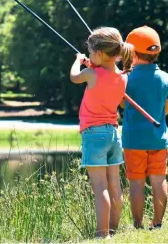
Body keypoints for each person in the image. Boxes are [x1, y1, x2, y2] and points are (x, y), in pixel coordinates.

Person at [70, 27, 133, 238]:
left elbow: (74, 78)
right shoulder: (123, 77)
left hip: (93, 134)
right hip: (114, 135)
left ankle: (102, 234)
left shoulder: (90, 73)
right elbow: (104, 76)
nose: (87, 55)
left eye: (89, 52)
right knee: (114, 184)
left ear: (98, 53)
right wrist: (92, 65)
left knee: (99, 186)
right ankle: (113, 230)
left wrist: (79, 61)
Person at [122, 25, 168, 230]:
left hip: (133, 140)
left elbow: (122, 104)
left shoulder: (127, 78)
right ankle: (158, 223)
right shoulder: (166, 78)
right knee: (159, 179)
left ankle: (137, 225)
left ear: (133, 53)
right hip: (158, 138)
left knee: (136, 183)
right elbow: (167, 110)